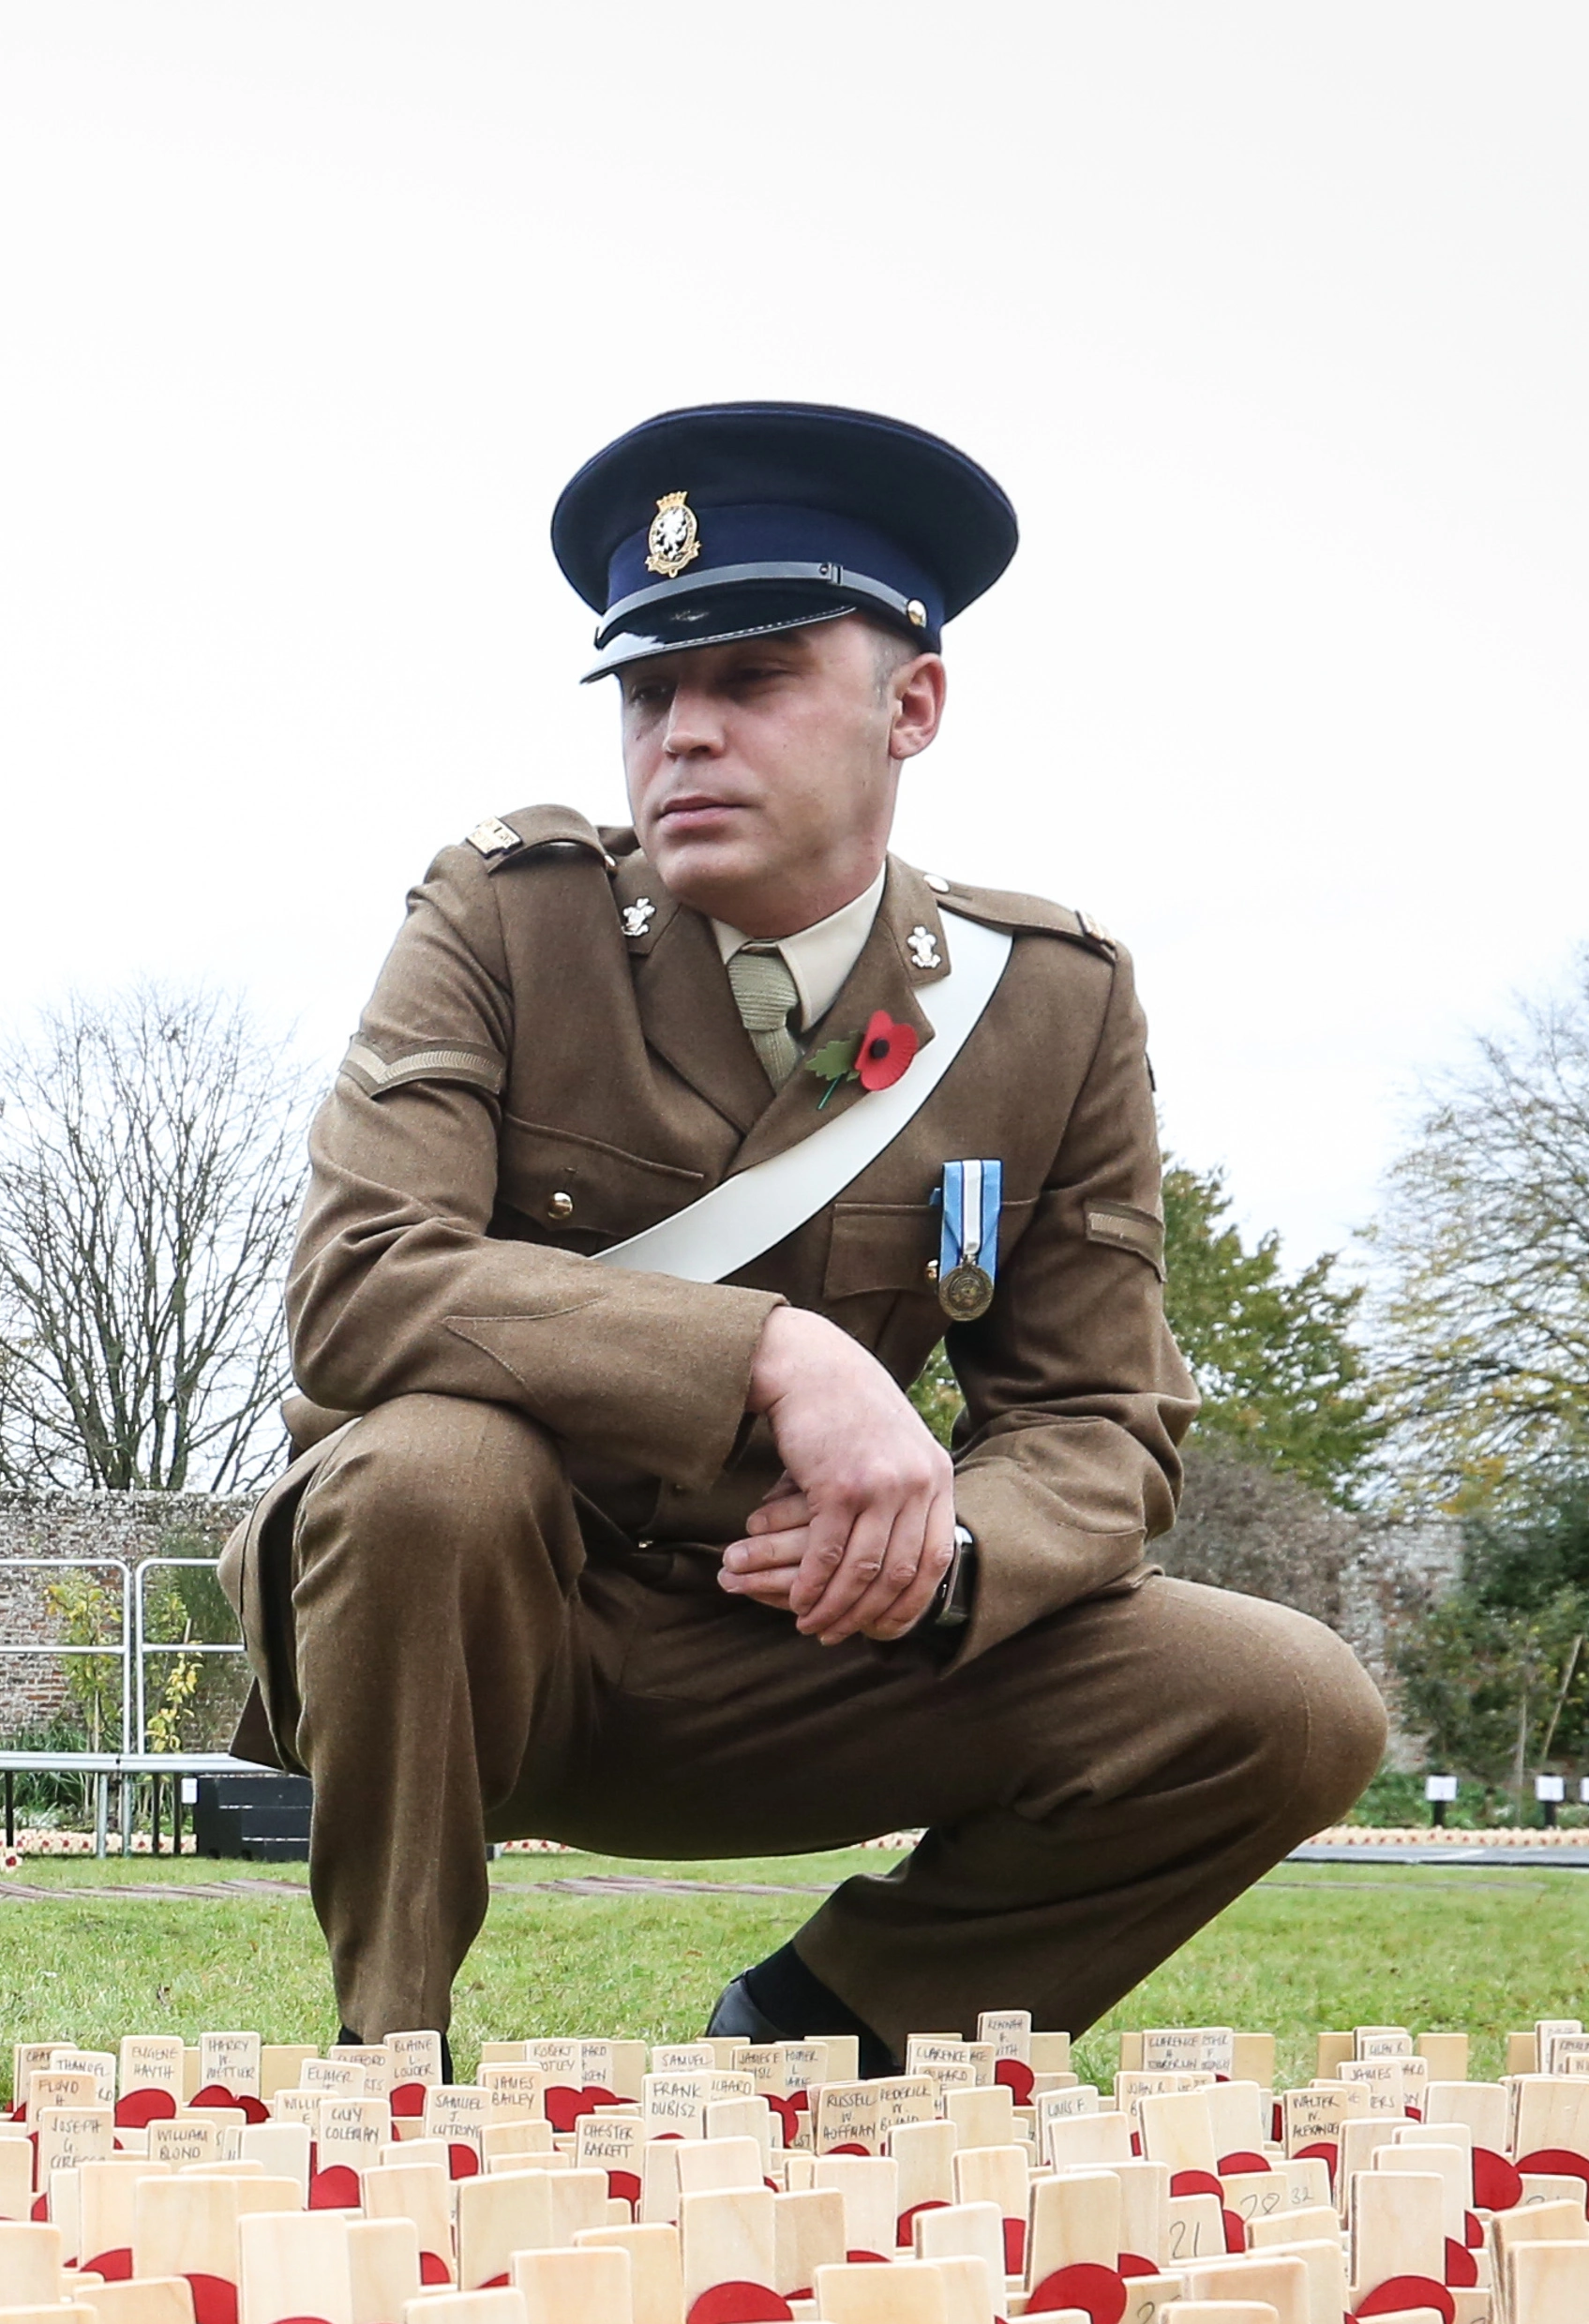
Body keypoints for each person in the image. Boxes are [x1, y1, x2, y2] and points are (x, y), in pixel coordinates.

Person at [223, 400, 1385, 2066]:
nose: (680, 735)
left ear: (912, 704)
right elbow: (358, 1290)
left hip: (815, 1647)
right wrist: (774, 1351)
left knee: (1288, 1703)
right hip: (489, 1635)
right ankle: (388, 2069)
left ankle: (830, 2036)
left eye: (752, 679)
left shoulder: (1045, 1005)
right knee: (432, 1470)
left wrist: (944, 1556)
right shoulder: (507, 916)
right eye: (648, 690)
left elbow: (1102, 1424)